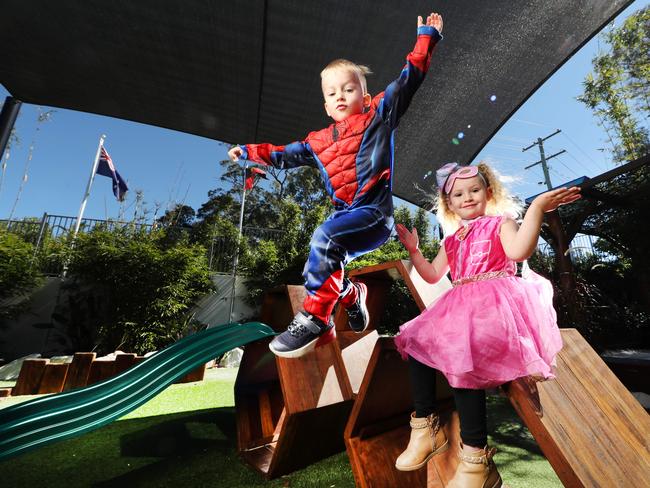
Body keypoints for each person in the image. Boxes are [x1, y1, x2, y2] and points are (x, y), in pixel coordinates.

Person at [228, 12, 444, 358]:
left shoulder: (379, 116)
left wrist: (426, 37)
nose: (341, 96)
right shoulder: (317, 141)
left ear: (364, 94)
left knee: (324, 238)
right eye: (333, 93)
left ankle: (316, 318)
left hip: (374, 215)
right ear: (327, 105)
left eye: (349, 89)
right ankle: (352, 294)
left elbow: (408, 80)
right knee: (320, 261)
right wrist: (251, 151)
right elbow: (283, 154)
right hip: (346, 217)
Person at [393, 162, 581, 487]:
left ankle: (475, 460)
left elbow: (520, 250)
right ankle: (425, 427)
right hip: (462, 306)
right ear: (448, 203)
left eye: (474, 190)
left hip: (495, 311)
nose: (467, 197)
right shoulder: (452, 240)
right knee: (416, 338)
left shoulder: (500, 224)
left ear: (488, 192)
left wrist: (536, 207)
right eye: (458, 194)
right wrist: (414, 251)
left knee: (463, 359)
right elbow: (433, 275)